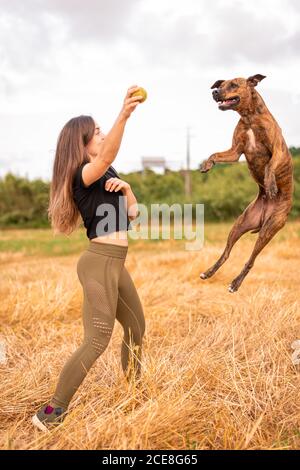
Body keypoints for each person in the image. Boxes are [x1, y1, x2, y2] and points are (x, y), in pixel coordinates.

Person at [32, 86, 146, 431]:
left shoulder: (108, 175)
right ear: (82, 143)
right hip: (98, 262)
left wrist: (126, 188)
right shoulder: (82, 175)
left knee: (136, 327)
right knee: (97, 339)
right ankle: (50, 414)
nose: (102, 134)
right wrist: (124, 114)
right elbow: (106, 158)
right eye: (97, 132)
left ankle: (134, 394)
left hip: (115, 262)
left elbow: (135, 213)